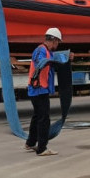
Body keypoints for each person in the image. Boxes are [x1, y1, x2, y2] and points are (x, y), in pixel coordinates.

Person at [25, 27, 65, 156]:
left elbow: (57, 59)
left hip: (39, 89)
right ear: (52, 40)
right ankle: (42, 148)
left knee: (37, 116)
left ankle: (30, 143)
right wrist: (49, 62)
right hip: (38, 89)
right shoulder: (41, 50)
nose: (57, 45)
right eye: (57, 42)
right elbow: (39, 62)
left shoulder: (48, 52)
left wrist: (68, 57)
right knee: (44, 118)